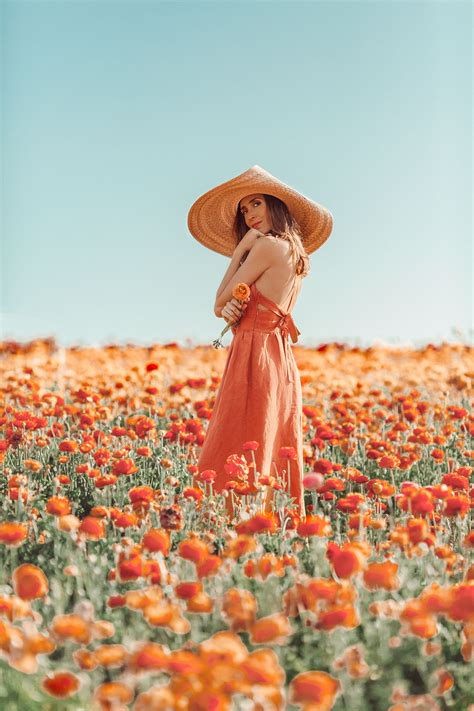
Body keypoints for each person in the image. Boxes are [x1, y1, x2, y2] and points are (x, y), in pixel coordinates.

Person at [187, 165, 333, 519]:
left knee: (239, 435)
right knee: (272, 440)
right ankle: (270, 524)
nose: (250, 214)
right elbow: (236, 306)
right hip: (279, 356)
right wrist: (235, 308)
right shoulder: (297, 256)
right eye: (244, 210)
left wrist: (241, 250)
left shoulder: (266, 246)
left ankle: (227, 522)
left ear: (275, 206)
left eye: (256, 204)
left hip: (255, 354)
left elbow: (218, 301)